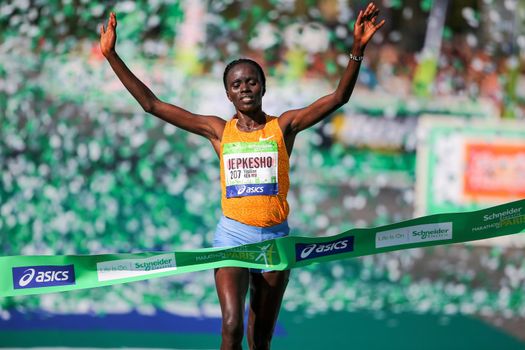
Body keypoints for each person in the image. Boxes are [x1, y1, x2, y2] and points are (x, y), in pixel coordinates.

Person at [99, 3, 384, 349]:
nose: (245, 88)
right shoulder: (218, 131)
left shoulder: (284, 127)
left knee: (259, 339)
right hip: (232, 238)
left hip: (275, 243)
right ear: (228, 94)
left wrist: (357, 49)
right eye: (237, 84)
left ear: (264, 87)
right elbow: (153, 105)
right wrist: (112, 55)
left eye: (252, 82)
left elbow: (339, 97)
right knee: (232, 326)